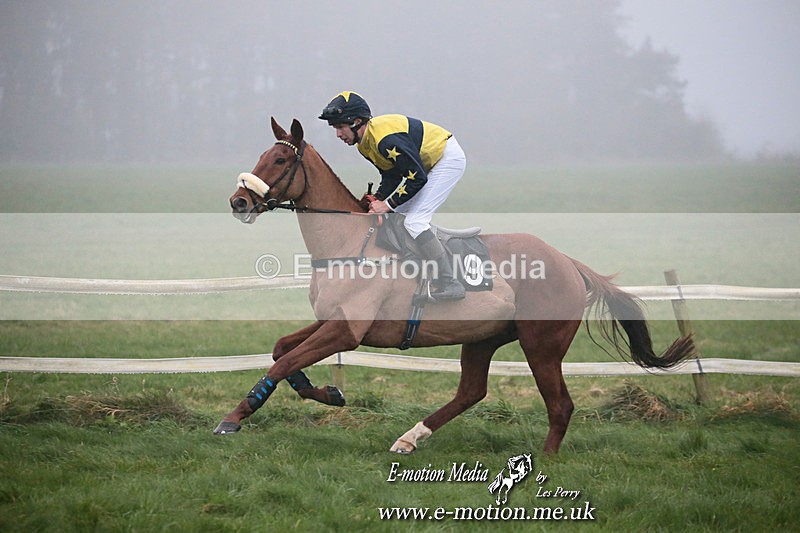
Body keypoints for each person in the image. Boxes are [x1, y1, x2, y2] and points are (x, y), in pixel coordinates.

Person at [319, 91, 466, 301]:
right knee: (396, 217)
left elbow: (417, 178)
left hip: (446, 159)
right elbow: (392, 175)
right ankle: (416, 267)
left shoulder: (385, 141)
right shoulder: (364, 144)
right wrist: (377, 199)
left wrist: (387, 205)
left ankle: (451, 282)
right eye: (335, 128)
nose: (338, 134)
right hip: (424, 167)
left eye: (340, 127)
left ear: (357, 122)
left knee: (415, 221)